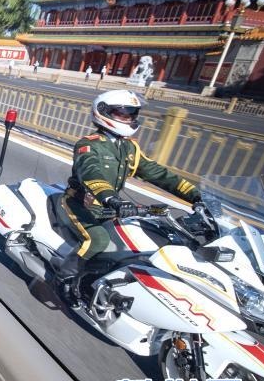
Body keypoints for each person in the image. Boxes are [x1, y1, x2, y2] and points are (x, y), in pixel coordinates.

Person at [53, 89, 201, 307]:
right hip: (80, 204)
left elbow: (158, 173)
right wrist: (111, 198)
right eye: (122, 113)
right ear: (103, 113)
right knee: (98, 240)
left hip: (111, 208)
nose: (129, 118)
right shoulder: (89, 144)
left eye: (131, 114)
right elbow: (91, 172)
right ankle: (64, 279)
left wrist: (196, 195)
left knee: (139, 238)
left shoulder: (130, 147)